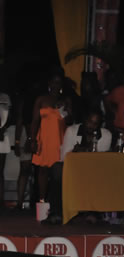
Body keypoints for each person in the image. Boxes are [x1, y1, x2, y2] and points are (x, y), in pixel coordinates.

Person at [48, 109, 112, 224]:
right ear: (84, 120)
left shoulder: (106, 134)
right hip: (74, 169)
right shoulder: (72, 131)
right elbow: (64, 157)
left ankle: (93, 212)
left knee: (100, 173)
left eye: (95, 123)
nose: (91, 126)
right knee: (57, 168)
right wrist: (76, 151)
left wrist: (84, 150)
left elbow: (102, 160)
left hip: (94, 169)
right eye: (89, 122)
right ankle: (56, 212)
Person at [31, 69, 71, 204]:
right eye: (54, 82)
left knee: (58, 171)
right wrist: (32, 139)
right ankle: (42, 200)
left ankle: (56, 201)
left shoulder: (65, 100)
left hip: (60, 139)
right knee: (43, 170)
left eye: (58, 83)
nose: (56, 85)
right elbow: (35, 121)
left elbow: (70, 121)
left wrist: (65, 109)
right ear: (49, 83)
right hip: (44, 138)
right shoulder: (41, 99)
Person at [0, 86, 10, 209]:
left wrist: (2, 129)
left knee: (0, 170)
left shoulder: (5, 97)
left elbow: (10, 116)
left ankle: (1, 200)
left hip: (2, 135)